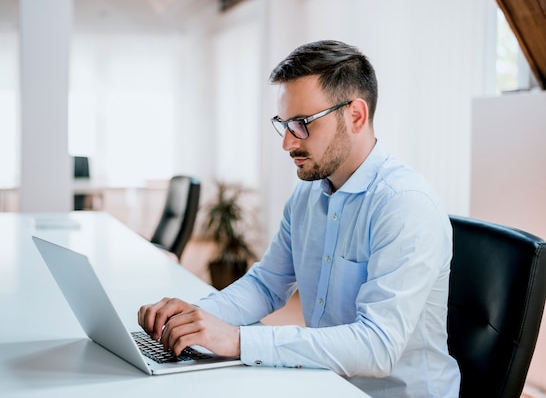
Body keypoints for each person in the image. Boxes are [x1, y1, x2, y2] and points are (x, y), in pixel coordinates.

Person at [138, 40, 461, 397]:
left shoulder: (404, 206)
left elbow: (377, 346)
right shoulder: (308, 195)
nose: (288, 143)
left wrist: (238, 339)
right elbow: (266, 285)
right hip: (322, 382)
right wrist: (193, 317)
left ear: (355, 115)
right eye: (284, 124)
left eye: (302, 124)